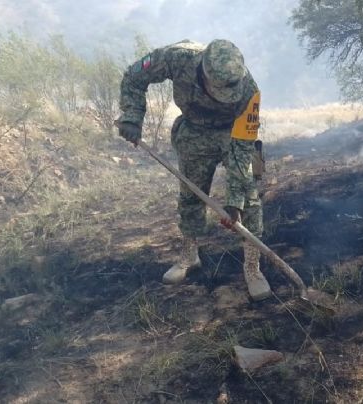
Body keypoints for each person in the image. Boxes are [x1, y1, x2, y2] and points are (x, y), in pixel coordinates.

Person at [115, 39, 270, 301]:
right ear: (204, 74)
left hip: (232, 134)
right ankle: (189, 256)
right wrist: (132, 116)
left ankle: (253, 267)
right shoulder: (177, 57)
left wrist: (234, 203)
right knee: (190, 195)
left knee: (249, 198)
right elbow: (134, 76)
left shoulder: (249, 92)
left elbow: (243, 151)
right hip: (194, 130)